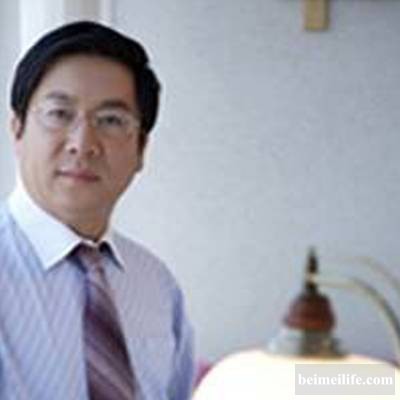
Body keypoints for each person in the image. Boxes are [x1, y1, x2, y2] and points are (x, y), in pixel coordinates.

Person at [0, 21, 194, 400]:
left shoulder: (156, 284)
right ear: (17, 130)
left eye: (111, 121)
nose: (83, 143)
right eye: (59, 113)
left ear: (141, 149)